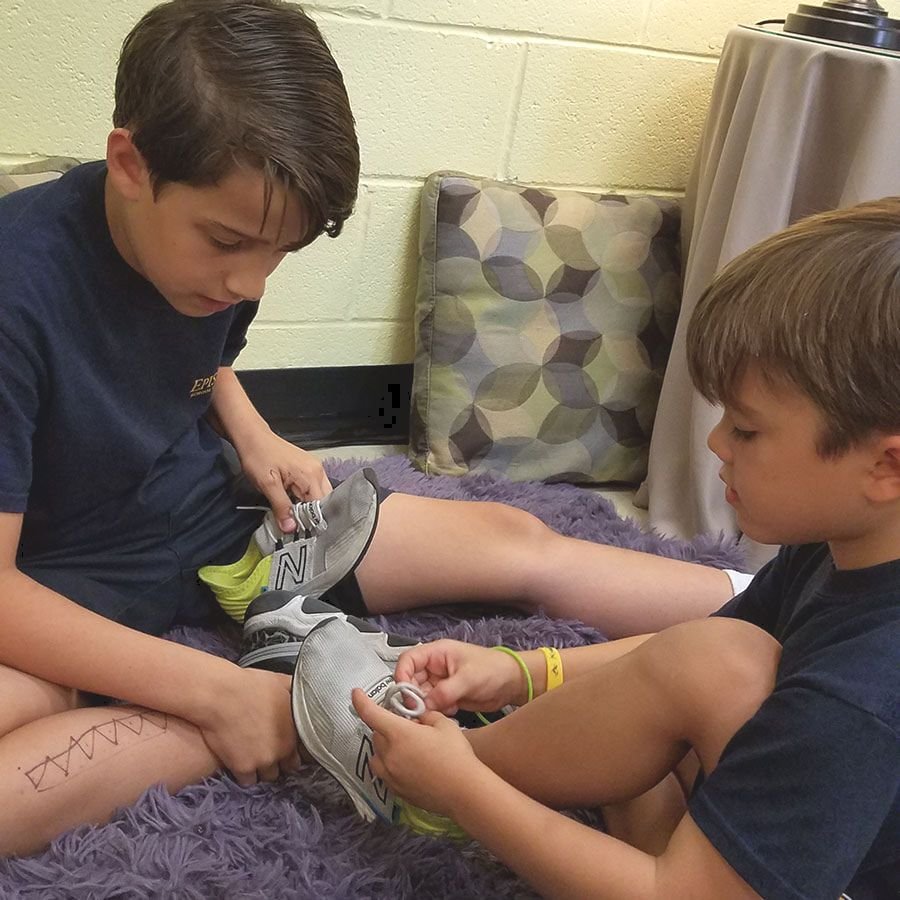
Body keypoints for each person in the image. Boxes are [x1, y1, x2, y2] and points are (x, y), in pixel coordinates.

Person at [0, 0, 747, 857]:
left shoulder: (205, 268)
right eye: (229, 242)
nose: (251, 284)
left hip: (217, 528)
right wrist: (208, 692)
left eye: (278, 254)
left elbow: (182, 356)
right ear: (129, 164)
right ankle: (266, 703)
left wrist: (251, 433)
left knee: (512, 538)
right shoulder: (17, 290)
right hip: (64, 587)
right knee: (46, 734)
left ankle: (765, 606)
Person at [320, 202, 900, 899]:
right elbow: (699, 650)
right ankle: (461, 762)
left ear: (887, 467)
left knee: (650, 752)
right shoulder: (842, 545)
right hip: (830, 814)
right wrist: (521, 670)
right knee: (710, 666)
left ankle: (440, 777)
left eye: (746, 431)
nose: (715, 445)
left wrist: (464, 790)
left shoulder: (859, 696)